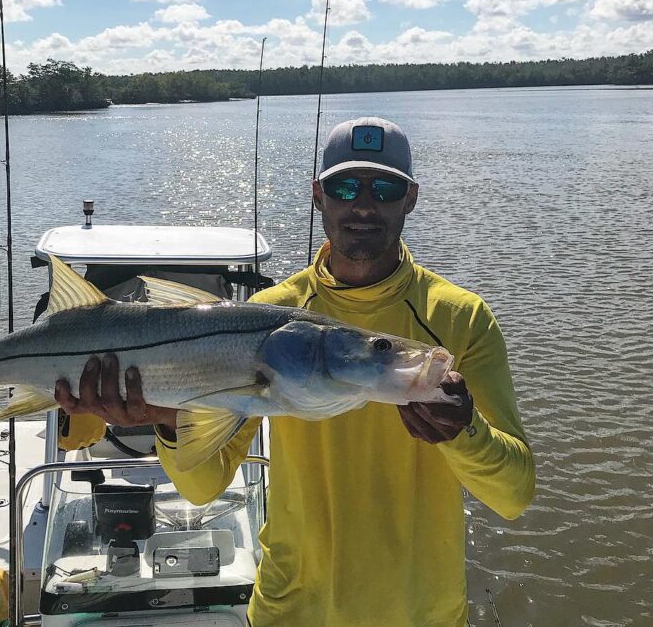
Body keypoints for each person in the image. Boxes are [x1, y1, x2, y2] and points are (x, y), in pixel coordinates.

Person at [55, 116, 535, 626]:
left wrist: (465, 432)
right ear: (318, 196)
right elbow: (202, 488)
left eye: (386, 187)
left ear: (410, 198)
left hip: (422, 614)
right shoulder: (267, 315)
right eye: (345, 187)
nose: (364, 205)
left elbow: (514, 496)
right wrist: (168, 423)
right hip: (292, 610)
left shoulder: (460, 320)